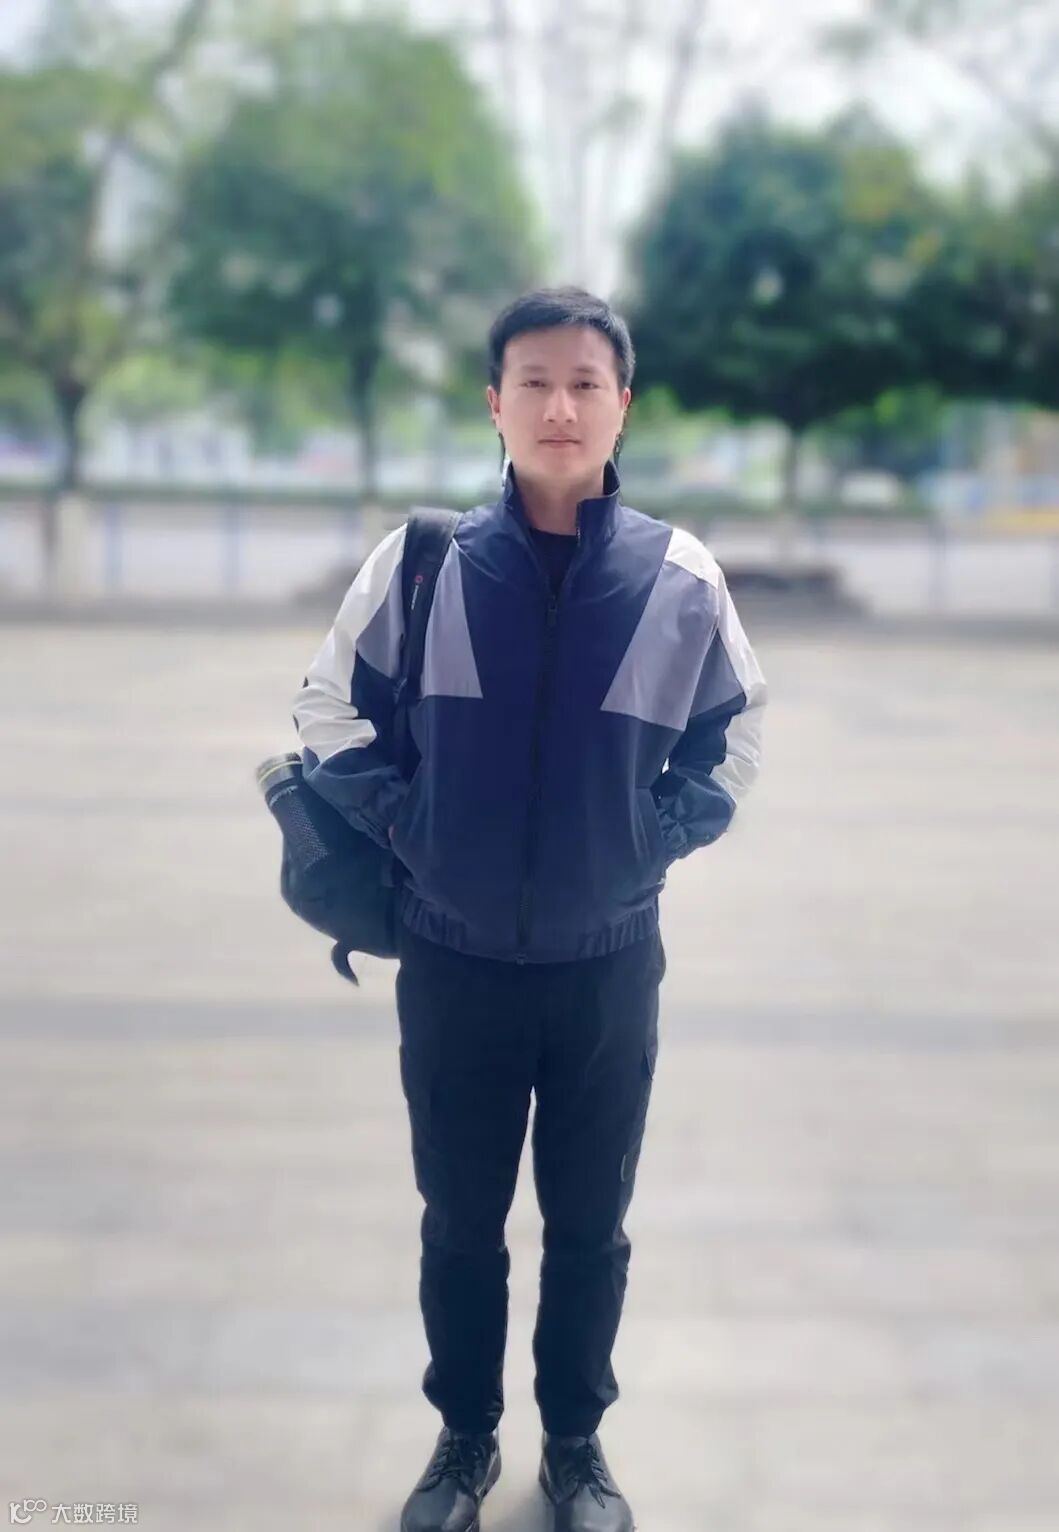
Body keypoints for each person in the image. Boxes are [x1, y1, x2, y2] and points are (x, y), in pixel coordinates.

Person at [291, 286, 768, 1532]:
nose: (561, 406)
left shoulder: (679, 577)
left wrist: (644, 843)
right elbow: (327, 708)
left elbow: (733, 737)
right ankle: (464, 1437)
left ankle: (575, 1444)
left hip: (607, 965)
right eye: (535, 382)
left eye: (586, 383)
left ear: (624, 405)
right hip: (452, 963)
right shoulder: (424, 563)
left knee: (591, 1224)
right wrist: (413, 824)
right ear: (494, 403)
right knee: (460, 1220)